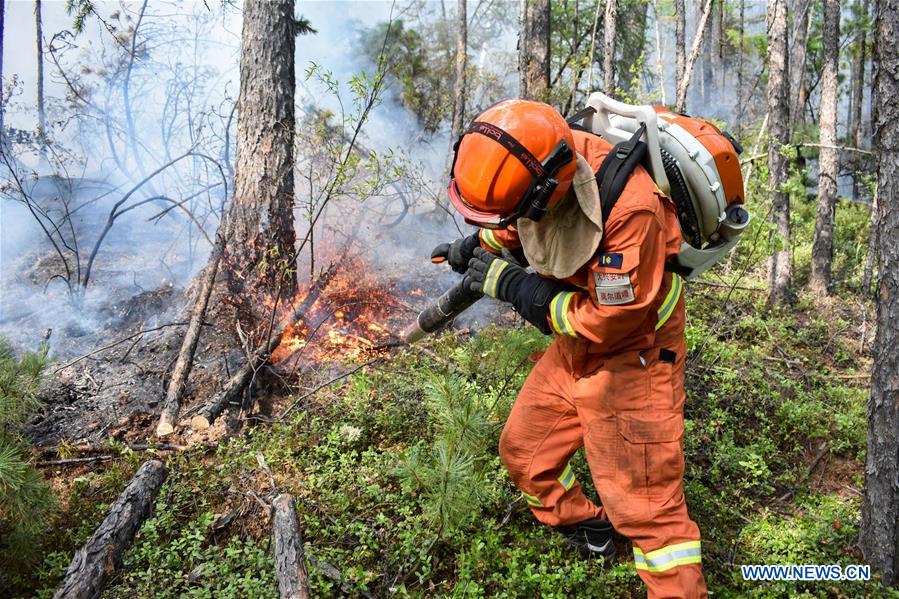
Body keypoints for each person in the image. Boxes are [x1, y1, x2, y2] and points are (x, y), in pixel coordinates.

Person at [431, 99, 706, 598]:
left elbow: (612, 322)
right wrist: (477, 246)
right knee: (524, 453)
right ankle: (591, 528)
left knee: (649, 517)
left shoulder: (631, 212)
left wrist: (520, 290)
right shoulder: (542, 166)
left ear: (546, 191)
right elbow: (518, 222)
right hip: (576, 346)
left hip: (634, 356)